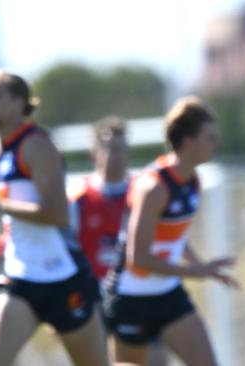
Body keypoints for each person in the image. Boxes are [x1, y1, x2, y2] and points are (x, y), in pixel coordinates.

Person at [0, 70, 109, 366]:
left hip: (62, 277)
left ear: (20, 102)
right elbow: (25, 212)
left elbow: (57, 214)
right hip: (21, 278)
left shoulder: (36, 145)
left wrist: (0, 205)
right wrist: (8, 238)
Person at [103, 96, 238, 366]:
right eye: (209, 137)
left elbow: (174, 235)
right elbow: (138, 258)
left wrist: (201, 265)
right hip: (131, 300)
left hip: (168, 295)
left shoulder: (192, 182)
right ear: (188, 142)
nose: (217, 144)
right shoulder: (153, 187)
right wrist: (193, 272)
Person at [68, 115, 168, 365]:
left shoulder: (144, 192)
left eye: (122, 150)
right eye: (111, 149)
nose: (117, 156)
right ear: (95, 154)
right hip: (94, 302)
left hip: (135, 297)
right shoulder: (78, 199)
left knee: (155, 360)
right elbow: (64, 250)